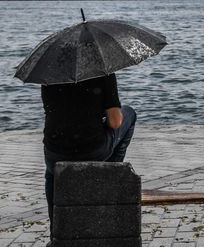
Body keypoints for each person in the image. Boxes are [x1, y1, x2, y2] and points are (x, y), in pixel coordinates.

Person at [41, 73, 136, 237]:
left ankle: (56, 231)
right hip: (92, 150)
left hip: (55, 152)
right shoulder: (103, 74)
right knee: (129, 114)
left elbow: (55, 113)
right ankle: (109, 171)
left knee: (52, 173)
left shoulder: (50, 75)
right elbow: (115, 122)